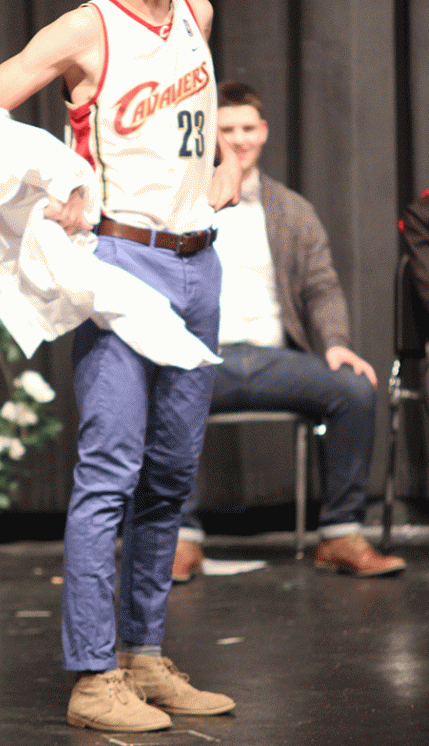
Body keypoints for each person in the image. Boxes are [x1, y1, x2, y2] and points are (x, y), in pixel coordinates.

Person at [0, 0, 240, 733]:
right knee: (109, 475)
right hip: (122, 267)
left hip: (199, 265)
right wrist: (49, 183)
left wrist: (227, 170)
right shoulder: (87, 29)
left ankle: (146, 658)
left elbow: (191, 133)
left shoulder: (195, 15)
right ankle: (92, 676)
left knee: (168, 479)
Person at [173, 82, 407, 582]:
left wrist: (337, 345)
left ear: (264, 132)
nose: (238, 138)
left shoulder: (291, 210)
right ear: (209, 133)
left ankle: (341, 534)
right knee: (160, 389)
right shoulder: (181, 202)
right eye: (226, 127)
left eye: (247, 128)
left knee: (354, 388)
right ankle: (179, 540)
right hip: (201, 357)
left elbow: (321, 287)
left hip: (276, 360)